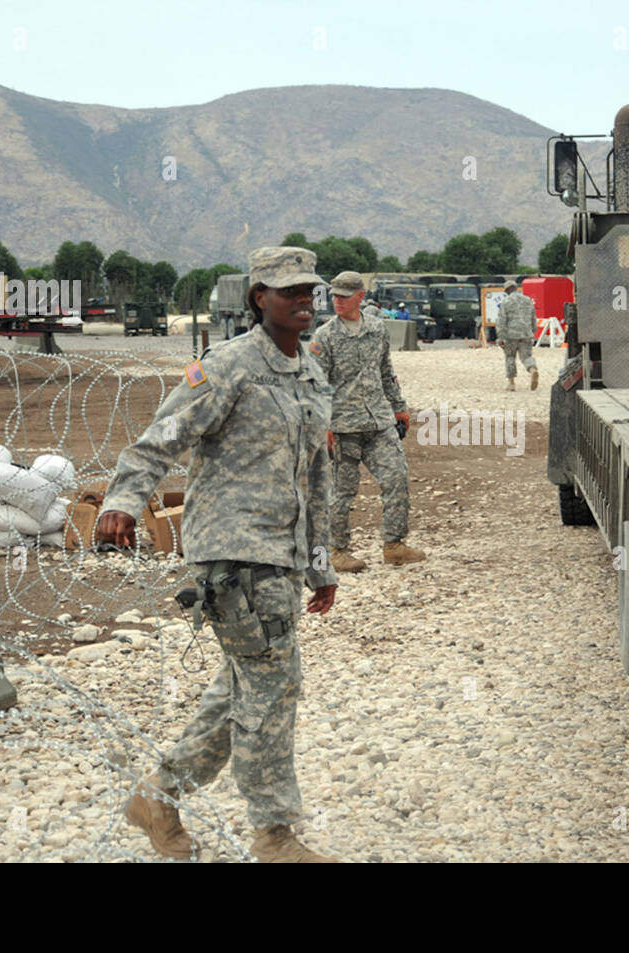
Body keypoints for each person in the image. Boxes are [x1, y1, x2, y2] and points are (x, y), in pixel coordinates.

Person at [97, 245, 339, 863]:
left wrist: (319, 563)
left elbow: (315, 477)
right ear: (260, 298)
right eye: (289, 292)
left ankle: (157, 796)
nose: (304, 301)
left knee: (243, 688)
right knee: (273, 686)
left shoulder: (310, 373)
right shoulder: (229, 367)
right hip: (231, 556)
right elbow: (161, 439)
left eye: (309, 290)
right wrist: (122, 502)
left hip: (281, 556)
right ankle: (274, 834)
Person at [311, 270, 425, 573]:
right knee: (342, 492)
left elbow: (386, 371)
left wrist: (399, 407)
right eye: (334, 296)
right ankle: (338, 550)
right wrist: (323, 425)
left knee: (396, 477)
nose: (337, 301)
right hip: (343, 428)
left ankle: (394, 545)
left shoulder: (377, 329)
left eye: (344, 296)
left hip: (378, 422)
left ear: (360, 297)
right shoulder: (324, 336)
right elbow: (316, 386)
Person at [497, 280, 538, 390]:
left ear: (506, 291)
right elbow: (534, 318)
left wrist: (500, 337)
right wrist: (532, 332)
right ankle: (532, 369)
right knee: (526, 357)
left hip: (511, 335)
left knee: (510, 357)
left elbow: (501, 321)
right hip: (526, 334)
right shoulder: (528, 300)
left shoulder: (505, 302)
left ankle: (511, 383)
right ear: (516, 288)